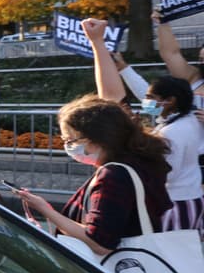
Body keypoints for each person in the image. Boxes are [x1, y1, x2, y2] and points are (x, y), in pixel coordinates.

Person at [83, 18, 204, 233]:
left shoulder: (174, 131)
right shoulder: (184, 117)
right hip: (184, 198)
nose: (145, 102)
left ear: (170, 101)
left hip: (174, 204)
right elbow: (132, 96)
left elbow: (167, 173)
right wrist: (123, 68)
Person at [16, 95, 171, 256]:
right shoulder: (139, 162)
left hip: (117, 271)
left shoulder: (113, 175)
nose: (68, 146)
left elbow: (100, 243)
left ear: (97, 139)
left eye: (71, 140)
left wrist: (45, 210)